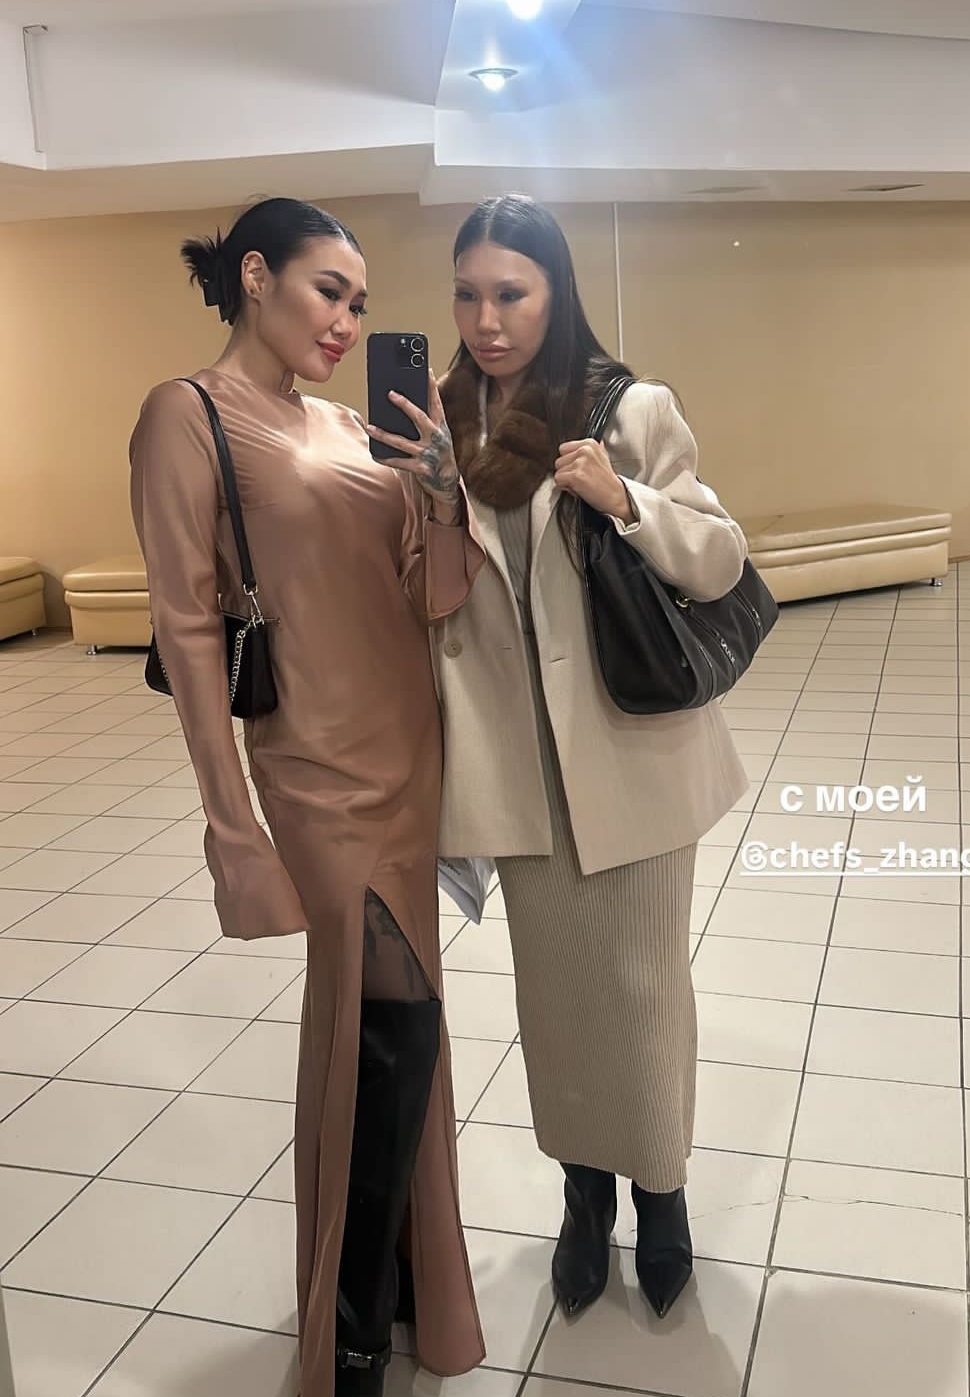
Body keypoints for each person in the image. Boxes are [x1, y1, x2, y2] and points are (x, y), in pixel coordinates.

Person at [128, 197, 485, 1397]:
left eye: (361, 304)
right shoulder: (185, 415)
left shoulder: (348, 422)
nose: (348, 320)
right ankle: (351, 1331)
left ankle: (403, 1289)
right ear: (255, 274)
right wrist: (230, 828)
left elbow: (432, 594)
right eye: (330, 290)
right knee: (381, 1027)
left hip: (410, 750)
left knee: (402, 1022)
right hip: (314, 769)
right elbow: (187, 626)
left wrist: (442, 493)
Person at [425, 194, 749, 1321]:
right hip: (520, 770)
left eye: (510, 293)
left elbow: (719, 558)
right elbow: (433, 602)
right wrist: (429, 503)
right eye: (467, 294)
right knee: (557, 999)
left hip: (628, 758)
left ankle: (661, 1192)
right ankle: (583, 1196)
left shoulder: (626, 407)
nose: (486, 320)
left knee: (644, 992)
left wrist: (625, 500)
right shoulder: (445, 429)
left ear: (555, 292)